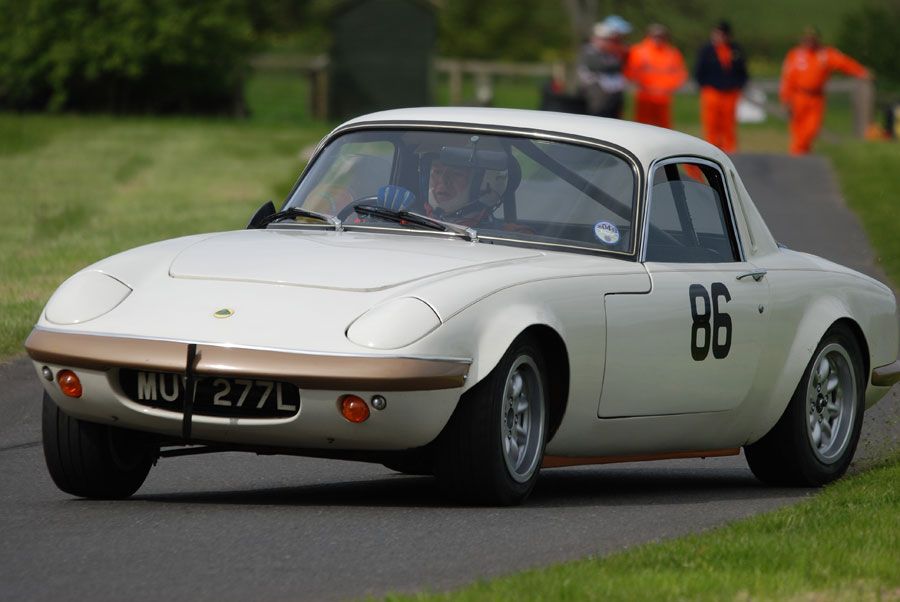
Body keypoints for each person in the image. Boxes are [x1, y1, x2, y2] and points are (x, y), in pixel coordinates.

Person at [780, 27, 872, 155]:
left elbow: (844, 63)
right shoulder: (794, 55)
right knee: (798, 129)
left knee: (812, 128)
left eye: (812, 39)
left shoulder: (825, 54)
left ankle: (798, 152)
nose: (809, 42)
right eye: (807, 39)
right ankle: (800, 154)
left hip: (816, 97)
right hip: (798, 96)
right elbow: (787, 78)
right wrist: (785, 98)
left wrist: (861, 72)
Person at [694, 21, 748, 152]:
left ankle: (730, 152)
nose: (719, 37)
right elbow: (699, 71)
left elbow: (742, 71)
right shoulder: (707, 50)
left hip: (730, 93)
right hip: (711, 92)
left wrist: (739, 85)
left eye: (723, 34)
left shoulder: (735, 50)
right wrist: (704, 85)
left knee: (728, 125)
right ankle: (712, 151)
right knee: (711, 124)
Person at [623, 24, 688, 129]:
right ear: (648, 35)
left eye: (661, 36)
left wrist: (668, 87)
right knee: (642, 126)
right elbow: (630, 71)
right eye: (655, 36)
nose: (658, 39)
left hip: (664, 97)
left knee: (663, 127)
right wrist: (642, 85)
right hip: (645, 96)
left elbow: (680, 73)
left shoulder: (672, 53)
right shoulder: (638, 50)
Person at [423, 156, 510, 227]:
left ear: (483, 185)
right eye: (437, 172)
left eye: (457, 174)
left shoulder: (505, 234)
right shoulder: (416, 220)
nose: (443, 180)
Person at [576, 22, 629, 118]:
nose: (608, 42)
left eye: (609, 40)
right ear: (594, 39)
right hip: (594, 92)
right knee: (597, 116)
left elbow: (620, 65)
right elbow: (600, 66)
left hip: (612, 92)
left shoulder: (610, 52)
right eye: (605, 39)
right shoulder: (589, 51)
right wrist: (616, 66)